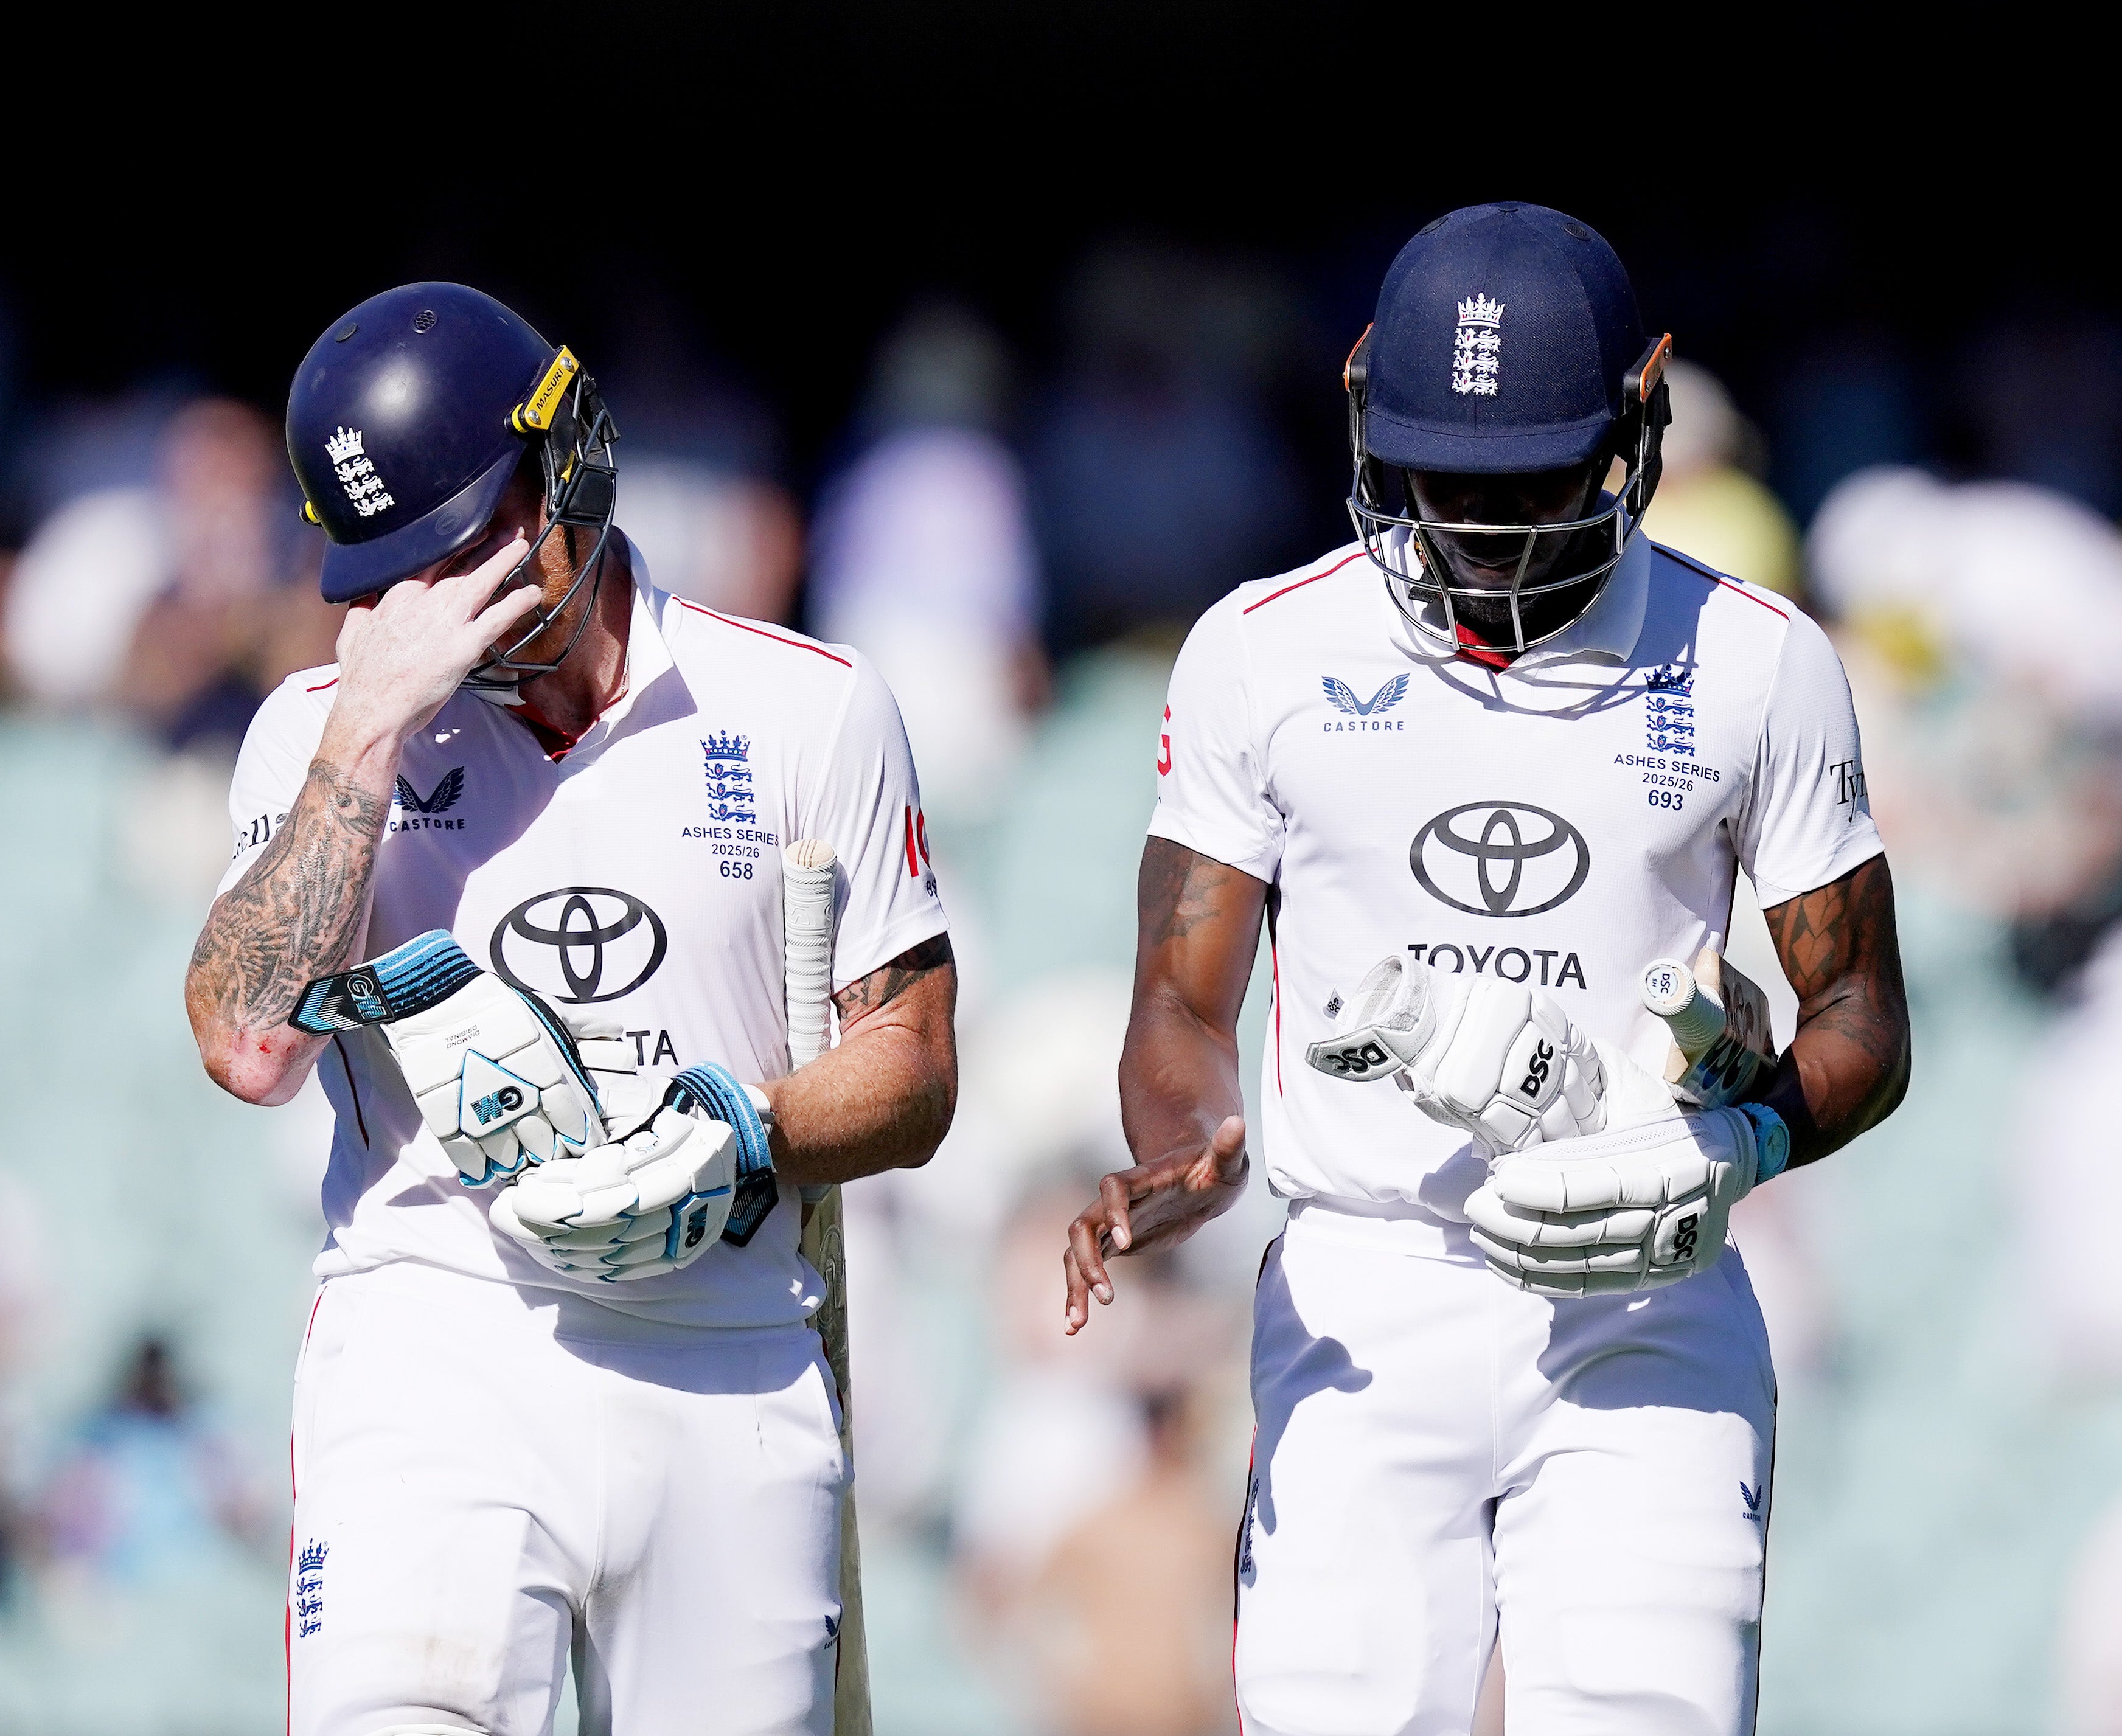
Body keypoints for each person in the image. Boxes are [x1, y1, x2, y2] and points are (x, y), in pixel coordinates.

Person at [1060, 204, 1910, 1734]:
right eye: (1438, 479)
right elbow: (1181, 1004)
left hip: (1645, 1296)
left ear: (1639, 413)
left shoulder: (1758, 664)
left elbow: (1859, 1015)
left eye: (1526, 485)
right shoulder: (1260, 651)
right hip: (1366, 1287)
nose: (1476, 530)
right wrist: (1184, 1150)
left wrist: (1741, 1142)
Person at [183, 283, 956, 1736]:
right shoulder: (314, 730)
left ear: (574, 460)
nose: (447, 612)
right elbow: (245, 1043)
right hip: (437, 1339)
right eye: (397, 580)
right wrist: (366, 726)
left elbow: (913, 1072)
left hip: (726, 1342)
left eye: (474, 551)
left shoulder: (809, 706)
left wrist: (747, 1131)